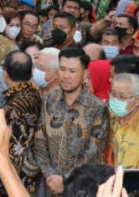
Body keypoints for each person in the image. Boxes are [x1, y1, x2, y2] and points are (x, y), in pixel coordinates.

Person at [34, 47, 109, 195]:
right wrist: (50, 174)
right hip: (48, 185)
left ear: (85, 74)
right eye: (62, 69)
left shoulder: (96, 108)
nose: (65, 76)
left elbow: (94, 153)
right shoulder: (49, 99)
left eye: (72, 71)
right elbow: (39, 140)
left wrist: (65, 179)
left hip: (79, 187)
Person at [2, 49, 42, 194]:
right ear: (31, 71)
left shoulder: (13, 107)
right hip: (34, 172)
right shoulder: (34, 94)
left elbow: (14, 150)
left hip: (17, 178)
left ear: (5, 72)